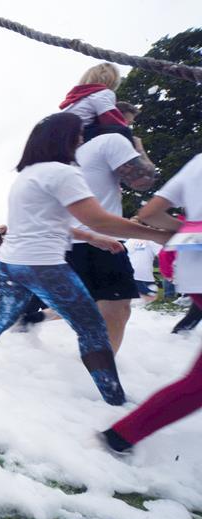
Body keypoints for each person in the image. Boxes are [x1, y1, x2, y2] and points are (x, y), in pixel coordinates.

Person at [0, 113, 170, 405]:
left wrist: (92, 238)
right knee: (93, 329)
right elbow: (100, 220)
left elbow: (48, 222)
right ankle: (115, 401)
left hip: (9, 263)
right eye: (78, 135)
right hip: (42, 266)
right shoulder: (65, 173)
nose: (82, 140)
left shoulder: (27, 175)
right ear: (65, 139)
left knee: (1, 319)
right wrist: (158, 235)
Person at [101, 153, 201, 453]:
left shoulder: (196, 162)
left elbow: (151, 212)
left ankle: (123, 435)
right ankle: (121, 435)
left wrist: (188, 230)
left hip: (194, 272)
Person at [67, 116, 156, 355]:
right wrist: (138, 148)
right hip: (101, 241)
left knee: (85, 306)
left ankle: (87, 370)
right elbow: (143, 181)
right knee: (115, 309)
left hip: (66, 242)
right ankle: (101, 374)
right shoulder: (111, 141)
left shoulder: (66, 157)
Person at [59, 62, 131, 143]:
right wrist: (125, 128)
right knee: (124, 131)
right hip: (78, 131)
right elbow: (109, 116)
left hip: (62, 132)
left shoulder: (79, 97)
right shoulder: (104, 92)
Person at [124, 238, 162, 303]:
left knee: (143, 297)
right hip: (143, 275)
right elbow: (161, 254)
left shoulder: (130, 240)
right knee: (151, 298)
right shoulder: (152, 240)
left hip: (132, 273)